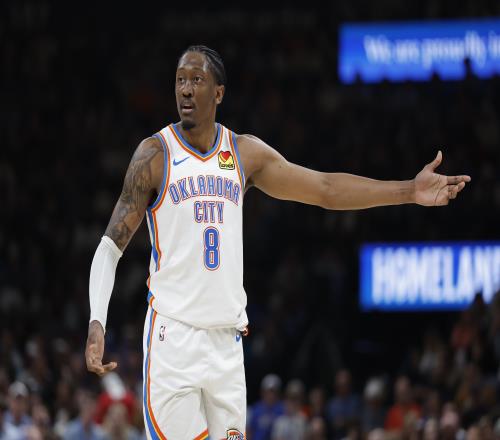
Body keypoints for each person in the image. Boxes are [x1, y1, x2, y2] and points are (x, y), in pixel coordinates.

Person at [85, 45, 471, 439]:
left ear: (218, 93)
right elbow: (110, 246)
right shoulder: (155, 154)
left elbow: (324, 188)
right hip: (174, 338)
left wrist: (409, 190)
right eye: (180, 80)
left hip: (226, 343)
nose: (185, 89)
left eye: (197, 80)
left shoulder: (243, 153)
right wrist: (97, 319)